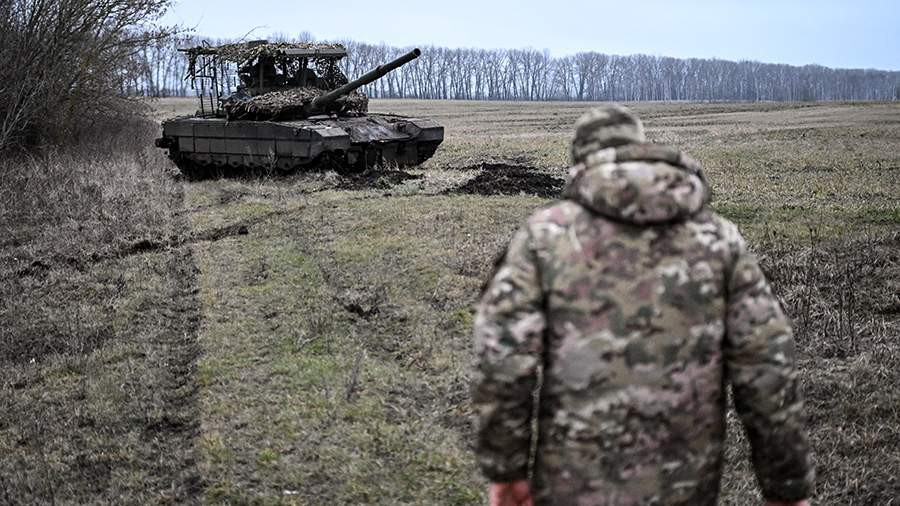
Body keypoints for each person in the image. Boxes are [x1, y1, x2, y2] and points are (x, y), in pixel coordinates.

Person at [472, 105, 814, 506]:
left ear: (579, 160)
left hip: (573, 483)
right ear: (638, 148)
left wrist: (506, 470)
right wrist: (786, 485)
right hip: (685, 485)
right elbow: (766, 365)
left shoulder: (546, 237)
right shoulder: (718, 239)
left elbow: (503, 357)